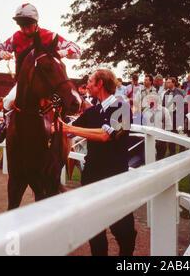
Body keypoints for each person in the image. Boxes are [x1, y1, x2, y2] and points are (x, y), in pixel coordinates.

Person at [59, 69, 137, 256]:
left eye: (91, 81)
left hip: (115, 179)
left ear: (100, 83)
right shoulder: (92, 111)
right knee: (94, 231)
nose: (87, 86)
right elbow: (68, 131)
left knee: (124, 231)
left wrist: (68, 128)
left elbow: (105, 135)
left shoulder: (123, 109)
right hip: (91, 178)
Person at [0, 3, 81, 136]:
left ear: (36, 22)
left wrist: (63, 52)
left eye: (28, 25)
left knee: (63, 98)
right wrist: (1, 54)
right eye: (22, 26)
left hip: (47, 84)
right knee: (8, 100)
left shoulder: (50, 36)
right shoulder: (16, 37)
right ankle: (6, 125)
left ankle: (65, 125)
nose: (26, 30)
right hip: (23, 84)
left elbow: (77, 50)